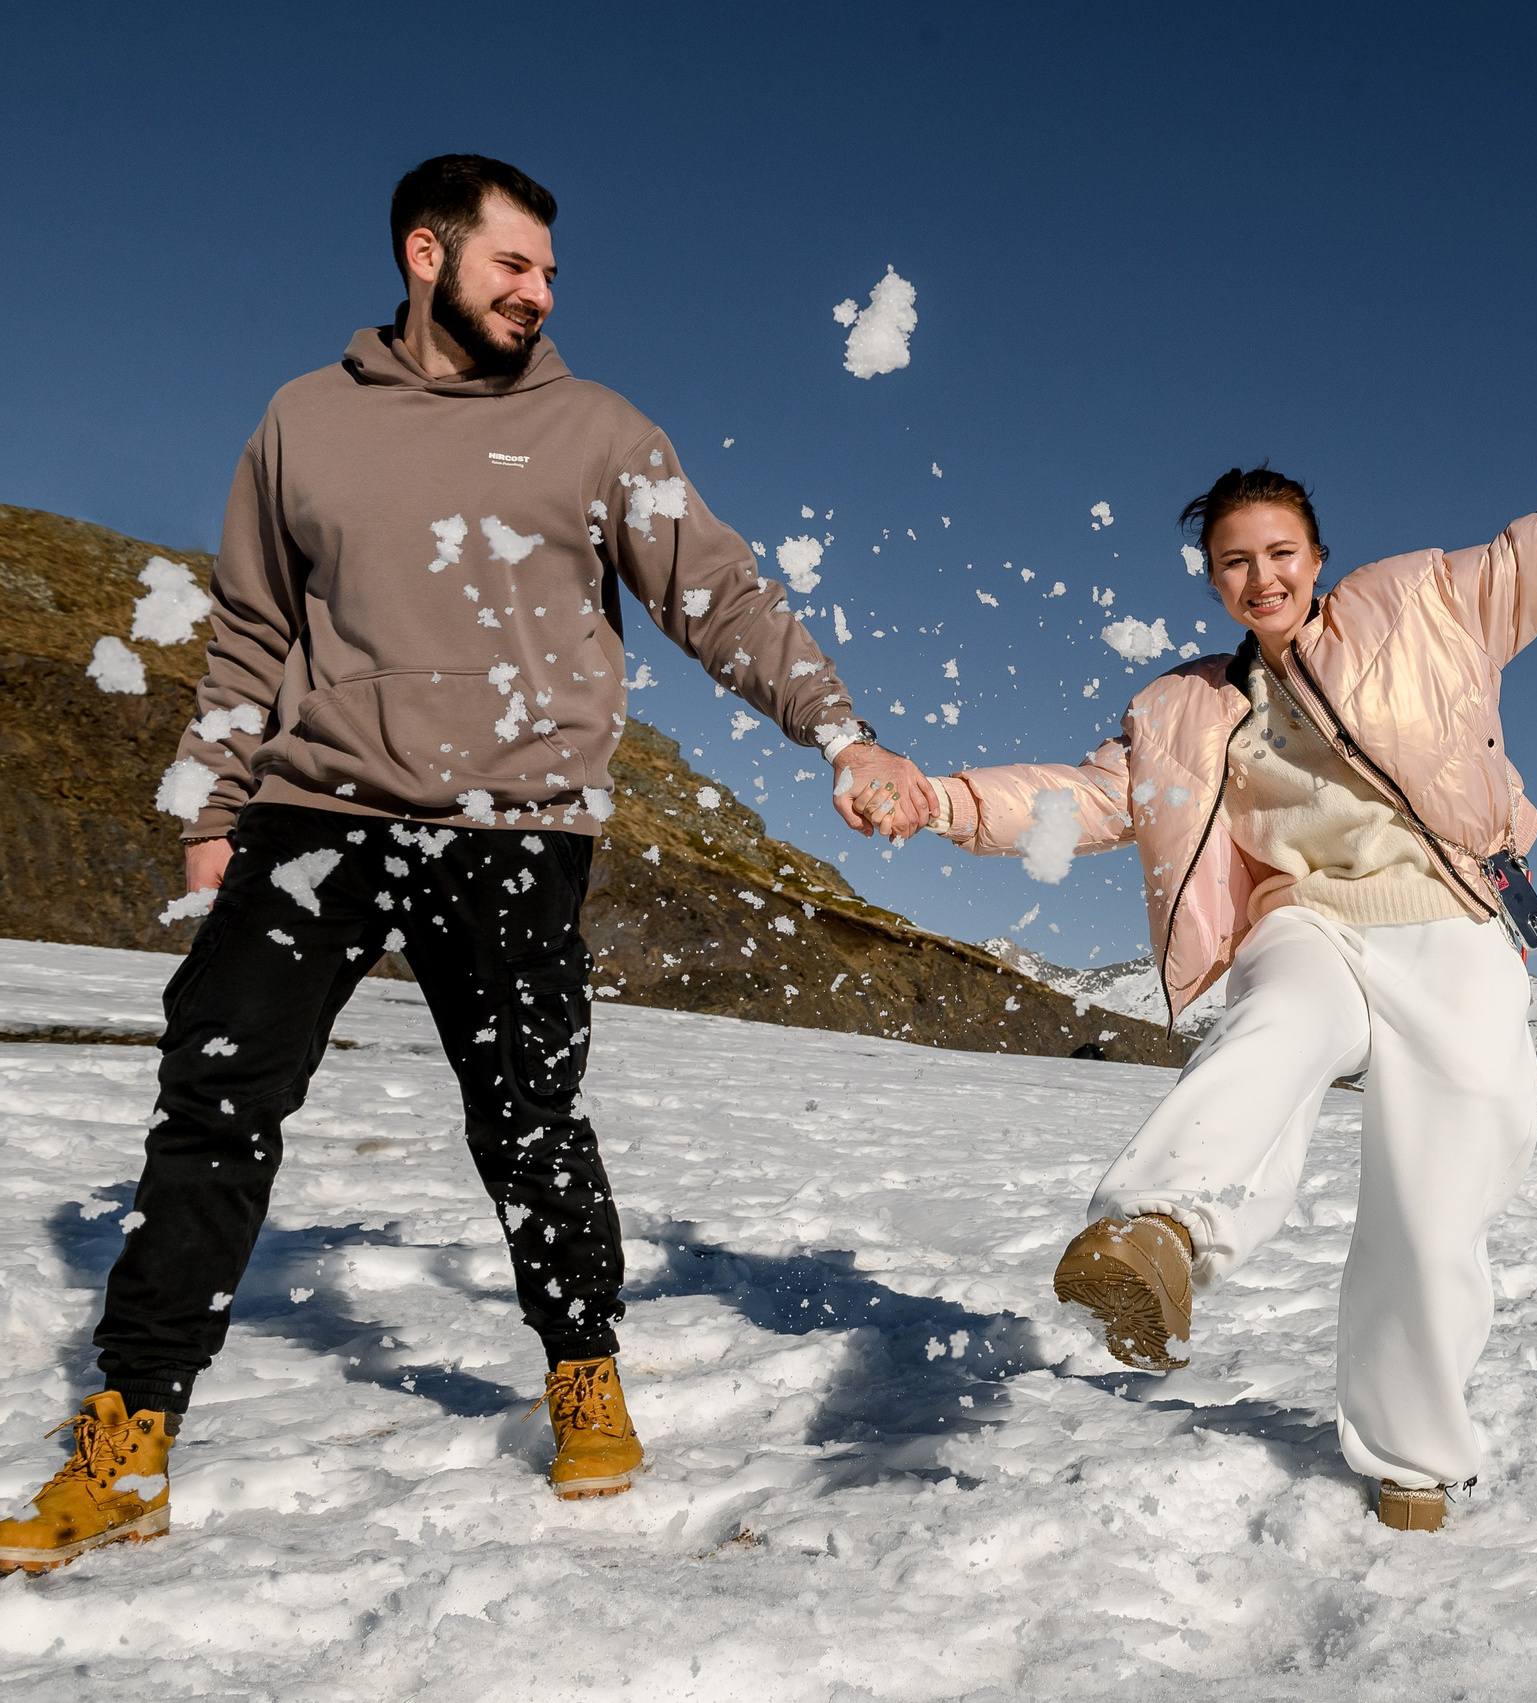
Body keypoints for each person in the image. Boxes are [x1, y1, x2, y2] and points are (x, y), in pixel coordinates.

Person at [0, 155, 925, 1575]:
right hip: (315, 816)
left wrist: (841, 734)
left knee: (529, 1113)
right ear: (425, 255)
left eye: (550, 272)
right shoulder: (302, 423)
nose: (541, 294)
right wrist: (210, 808)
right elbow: (251, 630)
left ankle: (583, 1366)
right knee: (214, 1093)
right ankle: (130, 1425)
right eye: (515, 267)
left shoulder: (597, 429)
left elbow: (716, 594)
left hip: (513, 825)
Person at [916, 378, 1537, 1531]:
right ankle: (1158, 1232)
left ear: (1318, 555)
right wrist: (932, 796)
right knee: (1274, 1030)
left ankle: (1412, 1456)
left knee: (1436, 1207)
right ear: (1212, 580)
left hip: (1451, 921)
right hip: (1304, 918)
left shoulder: (1429, 602)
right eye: (1234, 561)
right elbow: (1083, 795)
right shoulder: (1182, 706)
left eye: (1280, 551)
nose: (1261, 577)